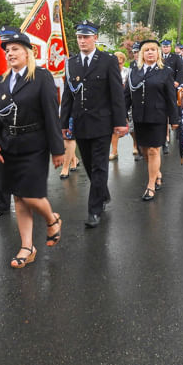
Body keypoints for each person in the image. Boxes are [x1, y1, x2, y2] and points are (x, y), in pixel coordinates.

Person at [0, 30, 64, 268]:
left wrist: (57, 148)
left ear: (28, 52)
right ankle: (27, 246)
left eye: (15, 49)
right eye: (7, 50)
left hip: (35, 144)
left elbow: (51, 114)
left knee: (31, 195)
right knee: (18, 198)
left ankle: (51, 219)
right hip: (9, 146)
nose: (10, 53)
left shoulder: (41, 77)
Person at [60, 21, 127, 228]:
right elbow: (68, 95)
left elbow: (117, 94)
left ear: (95, 38)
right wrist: (63, 122)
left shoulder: (107, 60)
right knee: (89, 165)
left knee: (99, 166)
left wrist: (120, 122)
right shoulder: (71, 63)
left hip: (102, 123)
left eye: (86, 37)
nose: (82, 41)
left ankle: (94, 210)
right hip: (80, 123)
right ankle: (103, 193)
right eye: (79, 37)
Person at [125, 39, 179, 200]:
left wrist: (174, 118)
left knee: (154, 150)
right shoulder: (134, 71)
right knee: (144, 150)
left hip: (158, 117)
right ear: (142, 53)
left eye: (153, 50)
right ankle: (157, 173)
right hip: (140, 117)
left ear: (158, 53)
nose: (150, 52)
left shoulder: (165, 71)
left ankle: (150, 185)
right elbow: (127, 94)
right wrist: (121, 115)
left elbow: (171, 97)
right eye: (147, 50)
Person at [109, 51, 130, 161]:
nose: (118, 65)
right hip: (114, 102)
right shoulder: (109, 72)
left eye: (120, 63)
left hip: (126, 101)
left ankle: (136, 146)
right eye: (116, 63)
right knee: (114, 129)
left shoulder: (128, 72)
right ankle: (114, 151)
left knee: (131, 128)